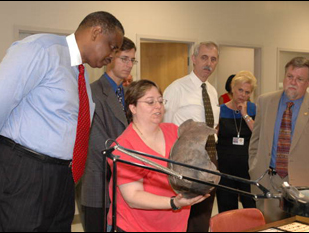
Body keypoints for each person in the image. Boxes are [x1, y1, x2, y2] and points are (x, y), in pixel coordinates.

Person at [0, 11, 124, 232]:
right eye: (112, 47)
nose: (112, 56)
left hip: (61, 177)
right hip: (24, 170)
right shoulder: (41, 49)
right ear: (96, 32)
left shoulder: (80, 73)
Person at [107, 80, 210, 232]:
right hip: (136, 226)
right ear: (133, 107)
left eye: (161, 101)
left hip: (174, 225)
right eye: (150, 102)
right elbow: (133, 196)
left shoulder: (174, 132)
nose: (158, 106)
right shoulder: (124, 146)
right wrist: (174, 203)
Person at [249, 57, 309, 223]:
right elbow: (255, 140)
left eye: (299, 79)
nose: (293, 82)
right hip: (268, 180)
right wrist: (254, 168)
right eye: (290, 77)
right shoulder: (265, 101)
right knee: (269, 226)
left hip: (303, 186)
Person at [79, 37, 137, 232]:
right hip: (100, 183)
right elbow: (99, 141)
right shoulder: (93, 92)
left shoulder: (129, 94)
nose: (129, 65)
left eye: (132, 60)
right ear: (109, 57)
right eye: (124, 58)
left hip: (128, 184)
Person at [164, 41, 220, 232]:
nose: (209, 63)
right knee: (186, 215)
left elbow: (212, 125)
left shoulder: (212, 91)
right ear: (194, 59)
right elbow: (167, 126)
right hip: (186, 162)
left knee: (203, 215)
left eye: (213, 59)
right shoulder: (177, 88)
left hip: (210, 158)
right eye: (204, 57)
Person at [216, 71, 257, 213]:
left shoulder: (254, 109)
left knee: (251, 207)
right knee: (227, 208)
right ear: (232, 88)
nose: (243, 95)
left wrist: (245, 114)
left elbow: (258, 134)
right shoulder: (220, 110)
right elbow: (214, 135)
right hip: (225, 167)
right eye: (240, 90)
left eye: (247, 92)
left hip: (248, 167)